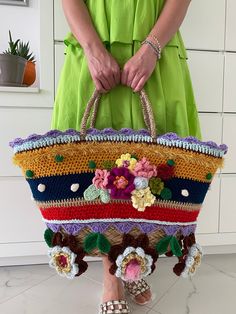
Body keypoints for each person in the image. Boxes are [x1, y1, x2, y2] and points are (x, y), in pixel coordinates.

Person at [51, 0, 202, 313]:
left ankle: (135, 259)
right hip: (93, 37)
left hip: (156, 43)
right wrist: (93, 49)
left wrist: (151, 47)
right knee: (95, 164)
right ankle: (113, 276)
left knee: (156, 165)